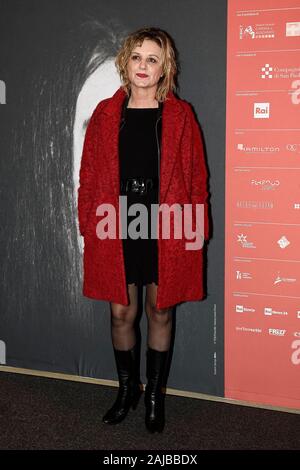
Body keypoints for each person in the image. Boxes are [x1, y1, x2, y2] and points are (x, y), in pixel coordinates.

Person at [78, 27, 209, 433]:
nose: (143, 66)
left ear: (164, 67)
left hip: (166, 223)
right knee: (121, 311)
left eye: (152, 59)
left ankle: (153, 395)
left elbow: (197, 178)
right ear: (125, 62)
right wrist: (88, 222)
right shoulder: (104, 113)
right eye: (137, 57)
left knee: (160, 309)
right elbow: (89, 175)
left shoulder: (181, 115)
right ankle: (126, 390)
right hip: (115, 222)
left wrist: (195, 228)